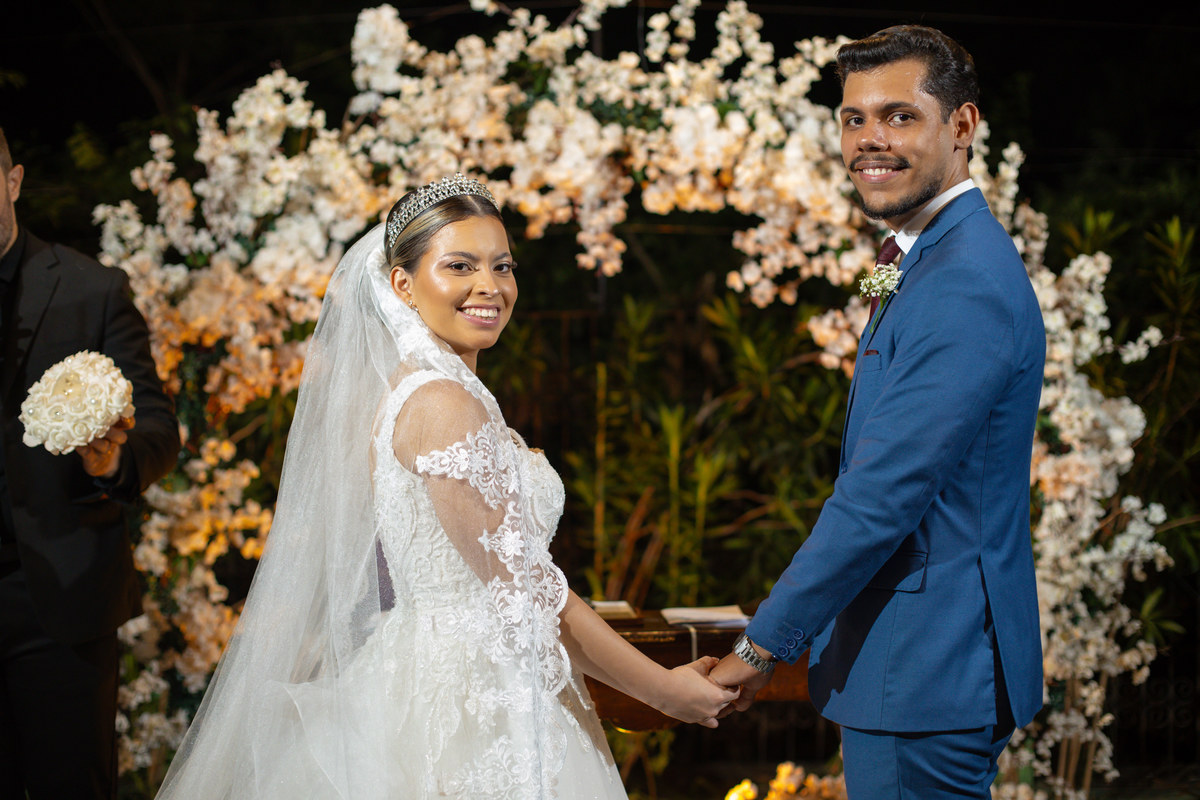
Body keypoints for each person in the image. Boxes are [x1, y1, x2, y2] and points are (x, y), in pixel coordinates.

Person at [154, 174, 737, 799]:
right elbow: (526, 589)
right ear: (403, 285)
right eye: (460, 265)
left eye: (502, 266)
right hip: (466, 704)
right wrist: (664, 691)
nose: (489, 286)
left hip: (452, 666)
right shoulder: (443, 404)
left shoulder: (423, 390)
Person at [711, 26, 1045, 799]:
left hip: (923, 668)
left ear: (961, 126)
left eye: (899, 116)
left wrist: (762, 648)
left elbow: (880, 498)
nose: (870, 140)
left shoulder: (962, 280)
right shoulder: (925, 256)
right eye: (854, 119)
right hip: (920, 665)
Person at [0, 126, 180, 798]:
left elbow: (159, 427)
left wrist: (112, 462)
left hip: (58, 606)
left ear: (13, 181)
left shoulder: (90, 289)